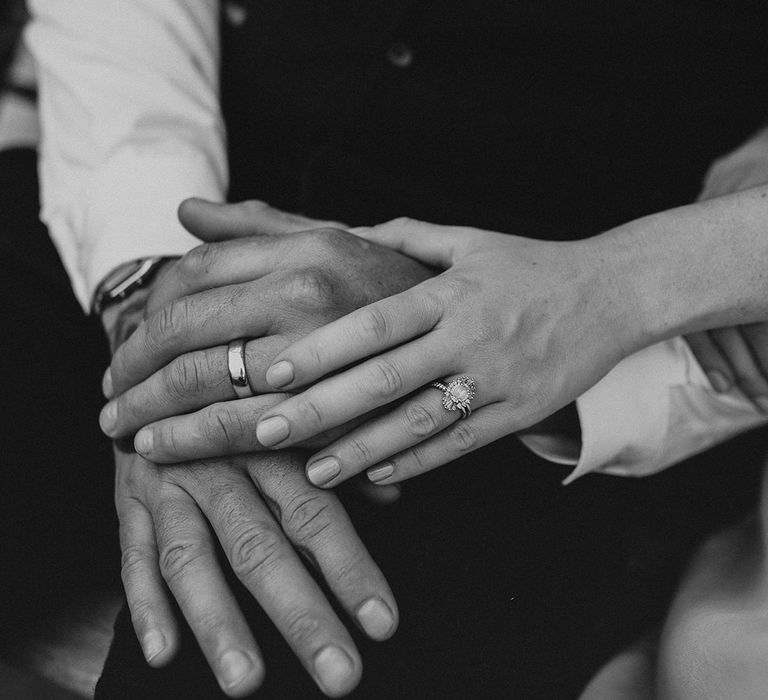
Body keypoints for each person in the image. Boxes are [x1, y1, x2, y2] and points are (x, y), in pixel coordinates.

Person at [23, 1, 768, 697]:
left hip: (560, 325)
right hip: (179, 197)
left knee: (265, 641)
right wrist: (161, 308)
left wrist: (621, 293)